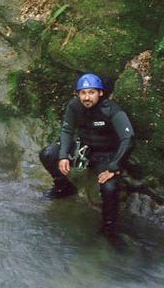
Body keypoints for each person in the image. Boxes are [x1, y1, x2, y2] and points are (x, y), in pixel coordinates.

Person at [39, 73, 134, 241]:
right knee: (48, 153)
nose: (87, 97)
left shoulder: (111, 110)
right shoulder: (74, 106)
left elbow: (129, 138)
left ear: (100, 93)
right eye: (83, 93)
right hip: (84, 149)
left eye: (91, 92)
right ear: (78, 94)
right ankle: (64, 188)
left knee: (109, 187)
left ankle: (109, 227)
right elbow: (67, 131)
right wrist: (63, 156)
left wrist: (114, 167)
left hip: (105, 155)